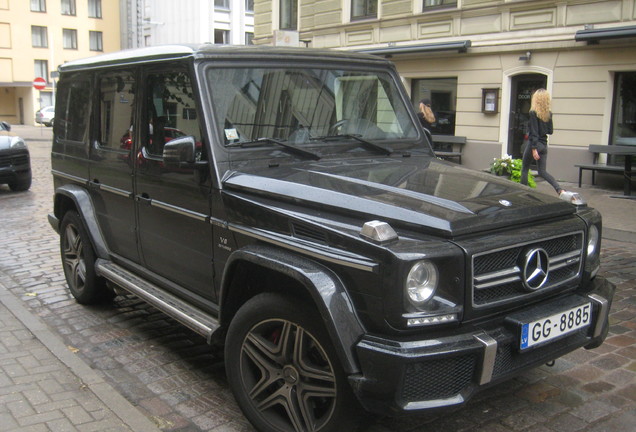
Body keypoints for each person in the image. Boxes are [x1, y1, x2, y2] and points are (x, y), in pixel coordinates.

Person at [520, 89, 565, 196]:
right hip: (544, 145)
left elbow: (534, 132)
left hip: (534, 144)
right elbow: (550, 131)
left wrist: (534, 149)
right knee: (542, 172)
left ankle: (523, 192)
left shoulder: (533, 113)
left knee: (525, 168)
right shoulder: (548, 113)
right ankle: (559, 190)